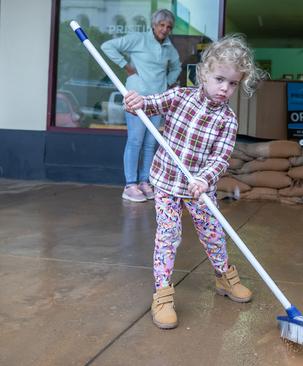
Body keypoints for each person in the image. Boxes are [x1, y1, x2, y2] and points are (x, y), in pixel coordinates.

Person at [123, 34, 264, 329]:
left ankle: (225, 277)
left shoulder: (228, 120)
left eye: (233, 83)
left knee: (214, 233)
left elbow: (221, 158)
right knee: (168, 236)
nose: (225, 88)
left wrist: (204, 179)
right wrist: (136, 101)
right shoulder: (180, 97)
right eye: (219, 79)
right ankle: (162, 294)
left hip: (199, 189)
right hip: (166, 182)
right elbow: (150, 104)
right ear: (204, 73)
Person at [101, 9, 181, 202]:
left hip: (157, 101)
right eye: (162, 25)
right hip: (136, 98)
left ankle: (145, 182)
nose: (165, 29)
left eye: (168, 27)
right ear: (154, 25)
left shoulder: (169, 47)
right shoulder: (138, 39)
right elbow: (107, 46)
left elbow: (177, 66)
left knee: (150, 144)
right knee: (135, 141)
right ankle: (130, 185)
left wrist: (169, 82)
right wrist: (127, 68)